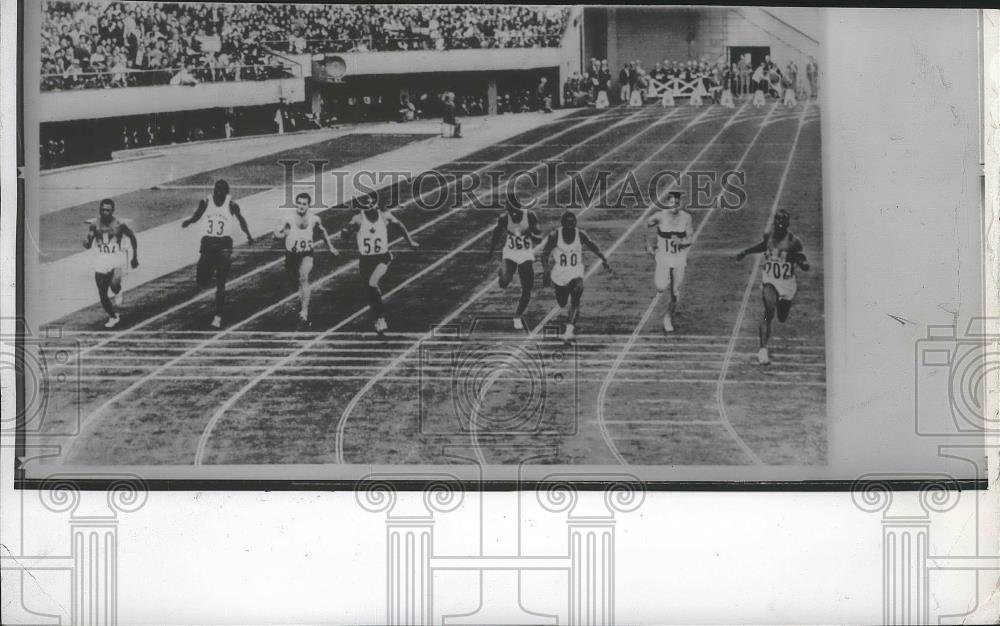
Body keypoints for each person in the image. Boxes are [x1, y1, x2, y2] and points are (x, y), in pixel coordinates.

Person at [734, 209, 810, 365]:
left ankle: (782, 304)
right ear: (774, 223)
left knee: (782, 317)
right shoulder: (768, 236)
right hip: (770, 280)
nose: (780, 225)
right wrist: (746, 252)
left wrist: (803, 263)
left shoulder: (794, 241)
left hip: (787, 284)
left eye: (783, 223)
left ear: (788, 224)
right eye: (778, 222)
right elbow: (763, 246)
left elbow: (803, 260)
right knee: (769, 310)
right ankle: (762, 350)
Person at [339, 194, 419, 335]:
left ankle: (381, 318)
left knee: (373, 283)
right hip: (365, 261)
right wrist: (345, 232)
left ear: (376, 203)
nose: (369, 206)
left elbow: (400, 226)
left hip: (383, 257)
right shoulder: (358, 219)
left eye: (371, 203)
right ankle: (377, 318)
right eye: (366, 205)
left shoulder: (385, 217)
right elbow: (345, 236)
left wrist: (410, 241)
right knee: (370, 291)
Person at [181, 179, 254, 328]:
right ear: (213, 191)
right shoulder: (206, 202)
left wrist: (249, 235)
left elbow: (241, 220)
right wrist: (189, 221)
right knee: (201, 279)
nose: (218, 194)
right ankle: (210, 271)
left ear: (226, 193)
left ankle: (218, 316)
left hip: (224, 245)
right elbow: (197, 216)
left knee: (221, 282)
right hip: (208, 244)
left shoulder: (232, 205)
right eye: (216, 191)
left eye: (221, 191)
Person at [541, 211, 611, 341]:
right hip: (560, 274)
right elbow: (544, 254)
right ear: (562, 225)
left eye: (572, 225)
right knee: (562, 302)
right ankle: (560, 295)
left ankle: (569, 329)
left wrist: (603, 259)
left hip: (576, 272)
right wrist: (546, 270)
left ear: (575, 224)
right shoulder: (555, 236)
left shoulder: (580, 234)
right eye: (567, 225)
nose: (570, 228)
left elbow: (592, 245)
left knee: (576, 294)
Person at [274, 192, 340, 329]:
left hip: (306, 254)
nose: (301, 206)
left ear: (308, 205)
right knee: (294, 280)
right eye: (299, 203)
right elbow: (276, 233)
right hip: (291, 255)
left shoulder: (314, 219)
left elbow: (322, 232)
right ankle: (301, 296)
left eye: (304, 204)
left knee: (304, 277)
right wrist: (280, 235)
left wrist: (331, 247)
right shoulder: (288, 218)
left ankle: (304, 311)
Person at [486, 191, 543, 330]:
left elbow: (539, 237)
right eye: (508, 208)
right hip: (510, 253)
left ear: (518, 206)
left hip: (525, 254)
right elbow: (496, 234)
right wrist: (491, 251)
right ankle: (503, 273)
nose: (511, 211)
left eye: (512, 207)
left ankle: (518, 316)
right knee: (504, 283)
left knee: (527, 289)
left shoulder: (529, 216)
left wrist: (530, 234)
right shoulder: (504, 218)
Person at [83, 198, 139, 328]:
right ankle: (113, 316)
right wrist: (86, 242)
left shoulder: (119, 224)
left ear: (112, 211)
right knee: (102, 294)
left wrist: (134, 257)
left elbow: (132, 236)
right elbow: (89, 242)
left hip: (116, 258)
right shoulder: (94, 224)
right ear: (100, 210)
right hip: (101, 260)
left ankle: (117, 291)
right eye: (102, 210)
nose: (105, 212)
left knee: (114, 285)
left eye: (108, 210)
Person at [645, 191, 692, 333]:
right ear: (667, 203)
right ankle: (665, 310)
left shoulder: (686, 217)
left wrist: (682, 241)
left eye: (677, 203)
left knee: (675, 292)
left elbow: (690, 238)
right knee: (660, 286)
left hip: (678, 257)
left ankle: (668, 317)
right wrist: (648, 244)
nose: (674, 206)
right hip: (663, 256)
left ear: (680, 203)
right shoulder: (660, 216)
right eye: (671, 203)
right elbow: (646, 224)